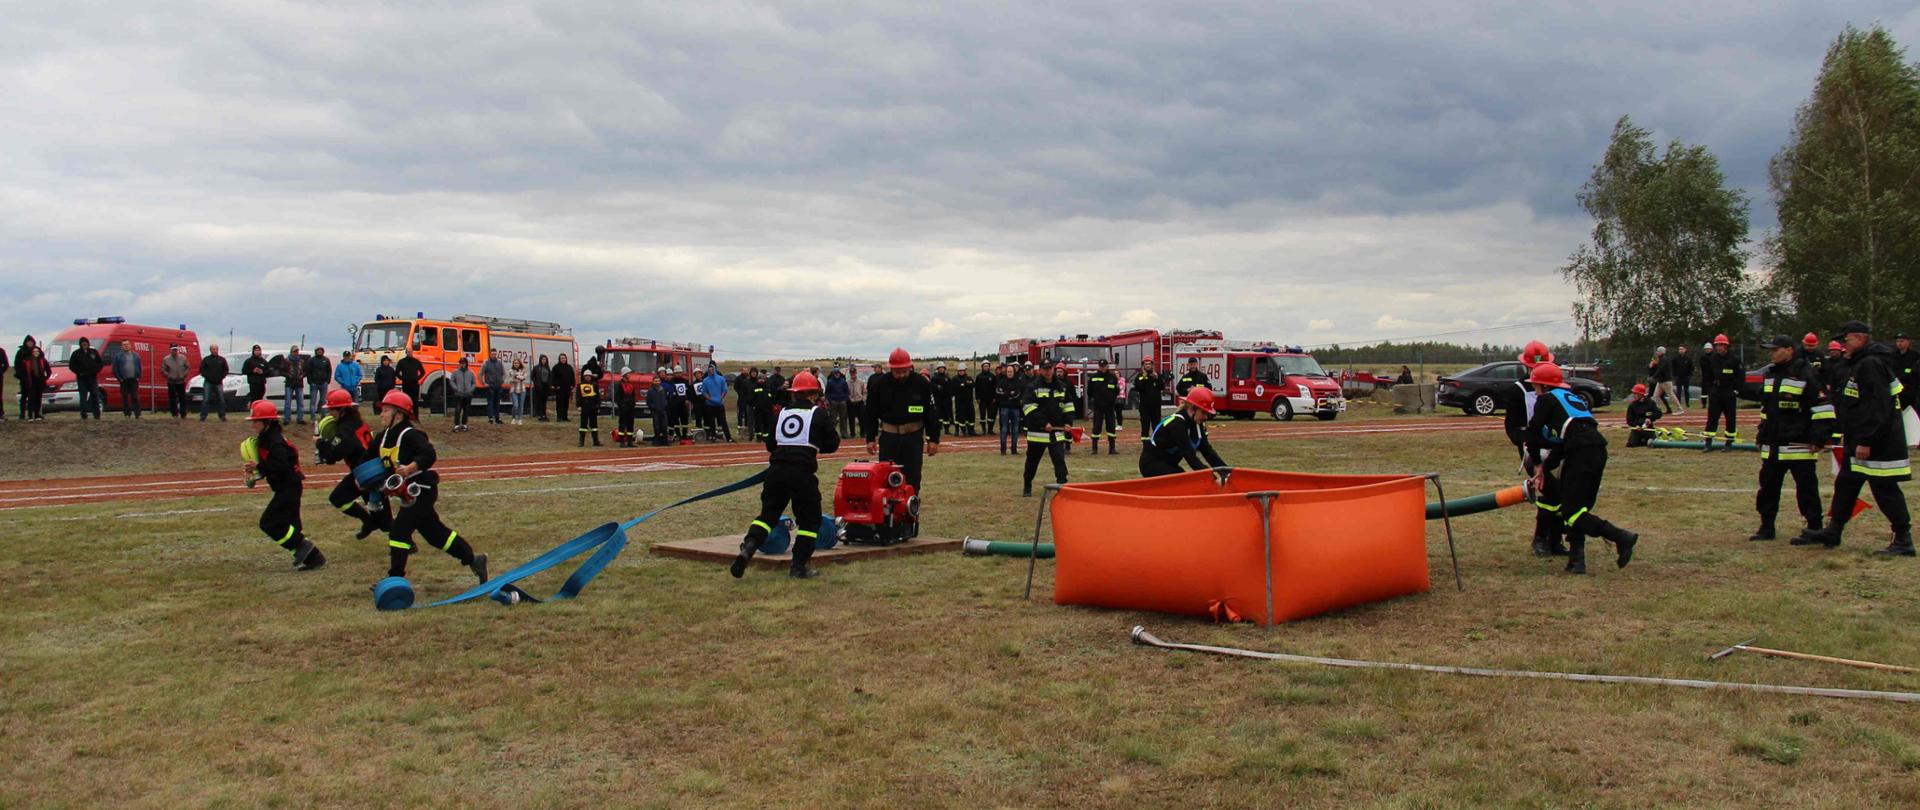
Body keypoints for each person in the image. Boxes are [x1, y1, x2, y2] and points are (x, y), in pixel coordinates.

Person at [1795, 321, 1912, 556]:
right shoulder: (1858, 363)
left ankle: (1903, 540)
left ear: (1859, 339)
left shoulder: (1870, 364)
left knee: (1884, 489)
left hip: (1877, 442)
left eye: (1846, 340)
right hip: (1858, 438)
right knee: (1846, 484)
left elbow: (1878, 407)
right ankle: (1834, 530)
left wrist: (1867, 441)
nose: (1842, 345)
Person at [1524, 362, 1639, 575]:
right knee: (1577, 508)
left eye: (1536, 385)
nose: (1534, 390)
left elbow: (1532, 435)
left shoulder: (1546, 400)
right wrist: (1545, 468)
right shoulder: (1573, 399)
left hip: (1581, 452)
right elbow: (1563, 442)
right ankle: (1577, 562)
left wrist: (1537, 463)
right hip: (1595, 449)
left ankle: (1621, 536)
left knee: (1570, 510)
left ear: (1543, 386)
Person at [730, 370, 841, 580]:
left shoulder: (780, 413)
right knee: (810, 521)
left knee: (767, 516)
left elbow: (771, 444)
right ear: (813, 393)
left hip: (776, 472)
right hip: (802, 473)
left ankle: (749, 547)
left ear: (794, 393)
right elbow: (832, 444)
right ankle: (799, 566)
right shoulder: (818, 413)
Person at [374, 390, 488, 583]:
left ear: (399, 415)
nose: (381, 414)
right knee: (435, 534)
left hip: (422, 489)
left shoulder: (411, 435)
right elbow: (366, 459)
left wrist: (410, 468)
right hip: (408, 494)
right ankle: (473, 559)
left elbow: (429, 454)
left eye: (386, 410)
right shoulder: (382, 437)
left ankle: (395, 580)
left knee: (399, 531)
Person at [1749, 336, 1831, 542]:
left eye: (1775, 350)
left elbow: (1822, 408)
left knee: (1806, 489)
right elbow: (1767, 409)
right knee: (1767, 487)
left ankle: (1814, 528)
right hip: (1773, 444)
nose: (1771, 353)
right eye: (1771, 350)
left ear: (1789, 350)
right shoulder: (1770, 374)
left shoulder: (1806, 373)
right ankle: (1766, 526)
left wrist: (1819, 438)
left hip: (1799, 444)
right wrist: (1762, 433)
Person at [240, 399, 325, 570]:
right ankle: (313, 558)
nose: (253, 425)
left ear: (267, 421)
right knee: (293, 526)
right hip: (286, 486)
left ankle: (303, 547)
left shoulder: (275, 441)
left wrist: (258, 467)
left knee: (269, 523)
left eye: (256, 421)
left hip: (289, 487)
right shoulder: (267, 438)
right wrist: (256, 473)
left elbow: (281, 466)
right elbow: (272, 466)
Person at [1507, 340, 1566, 557]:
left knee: (1562, 492)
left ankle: (1556, 539)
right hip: (1532, 449)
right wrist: (1523, 442)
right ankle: (1541, 539)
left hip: (1557, 447)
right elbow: (1511, 425)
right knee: (1550, 490)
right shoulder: (1517, 390)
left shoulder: (1556, 389)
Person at [316, 387, 392, 540]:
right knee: (378, 512)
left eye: (333, 410)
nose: (330, 413)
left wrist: (321, 444)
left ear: (342, 410)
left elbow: (332, 457)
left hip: (366, 473)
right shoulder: (357, 422)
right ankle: (369, 522)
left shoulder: (345, 430)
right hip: (369, 470)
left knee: (381, 516)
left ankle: (405, 543)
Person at [863, 348, 942, 493]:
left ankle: (911, 512)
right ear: (891, 368)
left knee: (913, 479)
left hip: (913, 438)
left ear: (909, 367)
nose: (901, 375)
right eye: (897, 372)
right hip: (889, 438)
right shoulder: (880, 385)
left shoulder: (921, 384)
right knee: (887, 478)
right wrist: (870, 438)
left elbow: (931, 413)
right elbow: (870, 413)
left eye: (904, 371)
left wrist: (933, 439)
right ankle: (889, 515)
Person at [1140, 387, 1226, 477]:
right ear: (1192, 408)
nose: (1206, 417)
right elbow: (1189, 454)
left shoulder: (1196, 422)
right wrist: (1210, 477)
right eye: (1203, 413)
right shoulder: (1177, 424)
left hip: (1169, 464)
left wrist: (1225, 471)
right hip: (1152, 465)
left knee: (1185, 481)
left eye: (1207, 414)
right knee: (1184, 483)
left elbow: (1207, 451)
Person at [1020, 359, 1076, 496]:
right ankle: (1027, 484)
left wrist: (1069, 422)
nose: (1048, 371)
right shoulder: (1033, 387)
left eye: (1050, 368)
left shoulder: (1061, 387)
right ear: (1040, 370)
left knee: (1059, 460)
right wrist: (1043, 423)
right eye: (1045, 368)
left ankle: (1062, 485)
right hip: (1038, 433)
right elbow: (1028, 407)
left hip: (1056, 433)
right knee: (1032, 461)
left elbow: (1069, 406)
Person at [1699, 334, 1739, 451]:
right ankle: (1708, 443)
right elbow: (1708, 375)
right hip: (1716, 391)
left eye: (1721, 345)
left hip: (1729, 392)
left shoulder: (1734, 359)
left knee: (1730, 418)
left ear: (1726, 346)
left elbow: (1740, 376)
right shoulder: (1713, 359)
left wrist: (1736, 390)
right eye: (1717, 345)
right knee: (1712, 418)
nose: (1718, 347)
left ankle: (1729, 443)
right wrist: (1710, 389)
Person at [1084, 359, 1121, 455]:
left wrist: (1111, 399)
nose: (1102, 368)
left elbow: (1116, 390)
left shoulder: (1112, 377)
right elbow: (1089, 391)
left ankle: (1112, 448)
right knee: (1096, 427)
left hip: (1109, 407)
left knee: (1111, 427)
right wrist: (1095, 400)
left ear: (1107, 366)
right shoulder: (1093, 377)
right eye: (1101, 366)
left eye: (1104, 366)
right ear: (1098, 367)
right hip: (1098, 406)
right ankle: (1094, 448)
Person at [16, 338, 50, 421]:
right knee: (27, 397)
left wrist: (45, 378)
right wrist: (23, 378)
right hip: (29, 381)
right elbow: (19, 367)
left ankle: (37, 414)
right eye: (28, 342)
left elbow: (48, 370)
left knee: (38, 398)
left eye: (37, 352)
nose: (36, 353)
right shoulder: (24, 357)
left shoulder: (42, 360)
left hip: (39, 381)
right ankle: (26, 414)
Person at [69, 337, 103, 419]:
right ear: (80, 344)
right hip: (82, 379)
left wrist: (95, 371)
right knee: (83, 397)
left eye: (86, 342)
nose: (84, 344)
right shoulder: (76, 353)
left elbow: (100, 363)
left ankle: (97, 414)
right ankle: (84, 414)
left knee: (95, 395)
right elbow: (71, 366)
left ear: (88, 343)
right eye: (82, 343)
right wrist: (79, 373)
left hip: (92, 378)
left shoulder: (93, 352)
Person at [1132, 360, 1166, 437]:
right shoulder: (1140, 376)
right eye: (1146, 364)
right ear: (1143, 366)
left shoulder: (1157, 375)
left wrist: (1157, 378)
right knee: (1145, 427)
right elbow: (1137, 387)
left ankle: (1156, 444)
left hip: (1156, 406)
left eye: (1149, 364)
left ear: (1152, 365)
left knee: (1156, 426)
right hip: (1144, 406)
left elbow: (1161, 387)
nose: (1147, 366)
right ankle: (1146, 446)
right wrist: (1144, 377)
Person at [197, 343, 229, 421]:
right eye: (213, 349)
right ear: (210, 350)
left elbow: (226, 370)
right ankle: (203, 416)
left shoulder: (222, 360)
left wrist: (221, 377)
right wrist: (207, 376)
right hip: (208, 382)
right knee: (206, 399)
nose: (215, 351)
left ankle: (222, 415)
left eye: (216, 349)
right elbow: (201, 370)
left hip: (218, 383)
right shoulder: (206, 359)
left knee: (221, 399)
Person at [112, 339, 143, 419]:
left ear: (130, 345)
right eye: (124, 344)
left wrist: (138, 376)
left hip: (134, 379)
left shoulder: (136, 355)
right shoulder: (118, 356)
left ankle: (137, 413)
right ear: (121, 347)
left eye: (127, 344)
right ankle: (127, 414)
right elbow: (115, 369)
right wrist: (119, 378)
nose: (126, 346)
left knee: (134, 396)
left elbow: (139, 367)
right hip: (124, 380)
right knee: (125, 397)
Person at [701, 364, 733, 442]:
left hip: (720, 404)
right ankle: (713, 436)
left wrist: (720, 398)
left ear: (714, 369)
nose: (711, 371)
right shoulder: (705, 380)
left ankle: (728, 437)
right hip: (710, 404)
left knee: (723, 421)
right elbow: (704, 392)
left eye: (712, 369)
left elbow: (724, 390)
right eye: (709, 369)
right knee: (711, 421)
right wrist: (710, 399)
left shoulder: (721, 379)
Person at [1647, 346, 1679, 415]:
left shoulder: (1663, 359)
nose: (1657, 352)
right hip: (1661, 381)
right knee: (1655, 396)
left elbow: (1660, 369)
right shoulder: (1661, 359)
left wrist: (1653, 377)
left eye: (1658, 351)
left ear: (1661, 352)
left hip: (1666, 381)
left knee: (1671, 395)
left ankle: (1679, 408)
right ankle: (1653, 410)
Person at [161, 345, 190, 419]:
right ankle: (174, 413)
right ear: (170, 350)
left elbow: (187, 367)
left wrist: (184, 375)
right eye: (173, 350)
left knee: (182, 398)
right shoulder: (166, 359)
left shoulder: (183, 358)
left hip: (181, 381)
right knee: (172, 399)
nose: (175, 351)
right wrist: (169, 375)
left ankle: (183, 414)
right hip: (171, 382)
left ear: (178, 350)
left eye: (176, 349)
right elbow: (163, 370)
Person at [447, 357, 475, 432]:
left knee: (466, 410)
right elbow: (452, 381)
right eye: (461, 363)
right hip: (458, 394)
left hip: (468, 395)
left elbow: (474, 383)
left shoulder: (471, 372)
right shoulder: (455, 372)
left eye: (463, 363)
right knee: (458, 410)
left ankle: (464, 424)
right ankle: (456, 425)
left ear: (466, 364)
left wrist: (471, 390)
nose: (462, 365)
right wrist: (456, 388)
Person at [1893, 333, 1920, 412]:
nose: (1899, 343)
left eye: (1901, 341)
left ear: (1908, 342)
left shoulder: (1915, 355)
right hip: (1897, 390)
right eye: (1897, 341)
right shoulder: (1892, 355)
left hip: (1910, 391)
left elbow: (1915, 372)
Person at [577, 365, 602, 446]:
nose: (588, 377)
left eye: (589, 376)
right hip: (584, 406)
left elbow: (598, 396)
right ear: (584, 377)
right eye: (586, 376)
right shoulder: (580, 385)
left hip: (593, 406)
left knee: (594, 425)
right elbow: (578, 396)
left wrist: (598, 405)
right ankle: (581, 442)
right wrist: (579, 406)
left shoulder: (594, 385)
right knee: (583, 425)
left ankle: (596, 441)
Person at [282, 345, 307, 425]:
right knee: (288, 402)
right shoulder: (286, 361)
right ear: (291, 352)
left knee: (300, 402)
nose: (296, 353)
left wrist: (302, 375)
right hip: (289, 383)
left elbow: (306, 371)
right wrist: (288, 375)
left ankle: (300, 418)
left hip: (299, 383)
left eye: (297, 351)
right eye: (294, 351)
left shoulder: (301, 361)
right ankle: (287, 419)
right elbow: (281, 371)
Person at [949, 364, 976, 437]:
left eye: (962, 371)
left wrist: (966, 384)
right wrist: (963, 385)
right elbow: (953, 389)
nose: (961, 372)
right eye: (960, 371)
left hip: (969, 401)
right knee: (960, 416)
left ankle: (971, 430)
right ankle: (961, 431)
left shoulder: (969, 378)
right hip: (959, 401)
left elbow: (973, 384)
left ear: (965, 371)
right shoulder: (955, 379)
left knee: (971, 416)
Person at [305, 347, 332, 417]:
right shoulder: (311, 360)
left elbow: (329, 371)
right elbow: (308, 371)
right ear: (316, 352)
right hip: (314, 384)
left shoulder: (326, 360)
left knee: (323, 401)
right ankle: (313, 416)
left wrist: (327, 381)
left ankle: (323, 415)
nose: (319, 352)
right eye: (318, 351)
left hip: (324, 384)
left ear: (323, 352)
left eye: (321, 351)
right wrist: (310, 382)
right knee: (313, 401)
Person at [480, 351, 506, 425]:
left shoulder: (500, 363)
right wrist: (484, 383)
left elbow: (504, 373)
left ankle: (497, 418)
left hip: (498, 386)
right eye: (492, 354)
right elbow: (480, 374)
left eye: (495, 354)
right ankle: (490, 418)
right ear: (490, 354)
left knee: (497, 402)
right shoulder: (486, 363)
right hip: (490, 386)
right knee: (490, 402)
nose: (494, 355)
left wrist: (502, 381)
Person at [395, 347, 425, 412]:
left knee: (415, 401)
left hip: (414, 385)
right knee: (406, 401)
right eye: (408, 352)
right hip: (406, 384)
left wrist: (417, 378)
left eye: (411, 352)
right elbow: (397, 372)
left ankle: (416, 417)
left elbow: (423, 372)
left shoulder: (416, 362)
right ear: (406, 352)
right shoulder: (401, 362)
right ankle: (407, 416)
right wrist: (403, 378)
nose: (410, 353)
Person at [824, 366, 851, 439]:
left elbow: (847, 392)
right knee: (833, 419)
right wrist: (830, 400)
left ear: (840, 373)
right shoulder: (830, 382)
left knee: (843, 418)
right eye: (835, 373)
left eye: (838, 373)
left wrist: (845, 399)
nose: (837, 374)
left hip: (842, 402)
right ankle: (833, 434)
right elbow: (827, 393)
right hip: (833, 403)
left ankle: (844, 433)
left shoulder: (843, 381)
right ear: (833, 373)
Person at [645, 370, 670, 446]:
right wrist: (653, 408)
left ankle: (665, 441)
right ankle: (657, 441)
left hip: (663, 410)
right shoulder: (650, 391)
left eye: (658, 381)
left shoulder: (663, 390)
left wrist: (665, 405)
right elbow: (648, 402)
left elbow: (666, 398)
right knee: (656, 426)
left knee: (664, 426)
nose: (657, 382)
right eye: (655, 381)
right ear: (653, 382)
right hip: (655, 411)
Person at [974, 361, 998, 436]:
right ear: (982, 367)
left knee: (991, 415)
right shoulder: (979, 377)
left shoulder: (992, 376)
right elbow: (976, 389)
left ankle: (990, 430)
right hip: (982, 400)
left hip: (991, 400)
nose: (986, 367)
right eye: (984, 366)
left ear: (989, 367)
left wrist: (995, 397)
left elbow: (995, 388)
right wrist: (977, 398)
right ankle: (984, 430)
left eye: (987, 366)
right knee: (982, 415)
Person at [551, 354, 575, 422]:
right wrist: (555, 386)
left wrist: (572, 385)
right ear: (559, 359)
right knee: (559, 403)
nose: (563, 359)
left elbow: (572, 377)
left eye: (564, 358)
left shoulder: (569, 367)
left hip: (567, 388)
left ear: (566, 359)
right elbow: (552, 378)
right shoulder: (556, 367)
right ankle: (559, 417)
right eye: (561, 358)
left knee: (565, 403)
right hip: (559, 388)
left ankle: (565, 417)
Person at [1672, 344, 1695, 409]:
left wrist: (1689, 375)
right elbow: (1673, 367)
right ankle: (1678, 404)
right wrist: (1675, 375)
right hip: (1678, 377)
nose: (1680, 350)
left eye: (1682, 349)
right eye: (1679, 349)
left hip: (1686, 377)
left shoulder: (1688, 358)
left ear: (1685, 350)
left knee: (1686, 391)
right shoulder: (1675, 358)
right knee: (1678, 391)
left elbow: (1691, 367)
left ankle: (1687, 403)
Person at [509, 358, 529, 425]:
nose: (516, 364)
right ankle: (513, 418)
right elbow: (512, 378)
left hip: (522, 390)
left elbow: (524, 377)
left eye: (517, 363)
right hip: (514, 390)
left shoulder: (523, 370)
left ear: (520, 363)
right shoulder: (511, 370)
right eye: (515, 363)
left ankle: (520, 419)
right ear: (513, 364)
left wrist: (517, 377)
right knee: (516, 405)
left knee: (521, 406)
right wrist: (519, 377)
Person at [532, 355, 552, 421]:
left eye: (545, 359)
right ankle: (540, 415)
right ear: (540, 360)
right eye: (543, 359)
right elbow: (532, 376)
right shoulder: (536, 368)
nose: (544, 360)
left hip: (546, 386)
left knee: (544, 401)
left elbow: (550, 376)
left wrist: (550, 384)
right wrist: (536, 383)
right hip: (539, 387)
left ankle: (544, 414)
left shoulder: (547, 368)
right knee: (539, 401)